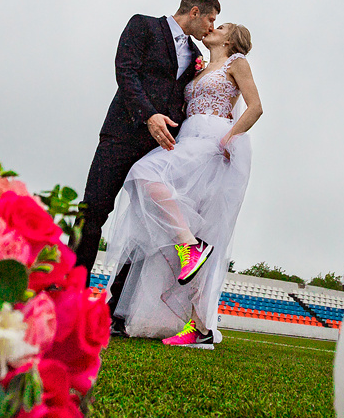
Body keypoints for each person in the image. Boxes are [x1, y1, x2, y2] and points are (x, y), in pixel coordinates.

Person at [106, 22, 262, 348]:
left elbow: (255, 107)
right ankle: (200, 323)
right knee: (170, 206)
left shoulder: (237, 63)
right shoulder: (200, 68)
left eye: (219, 26)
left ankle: (192, 253)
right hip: (188, 138)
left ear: (231, 38)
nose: (211, 28)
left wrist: (229, 139)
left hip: (214, 143)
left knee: (144, 174)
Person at [77, 0, 219, 334]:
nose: (212, 27)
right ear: (195, 11)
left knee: (143, 230)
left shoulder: (197, 54)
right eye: (211, 19)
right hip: (122, 134)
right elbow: (125, 72)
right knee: (93, 211)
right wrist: (149, 115)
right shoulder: (143, 26)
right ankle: (72, 297)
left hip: (161, 149)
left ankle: (116, 311)